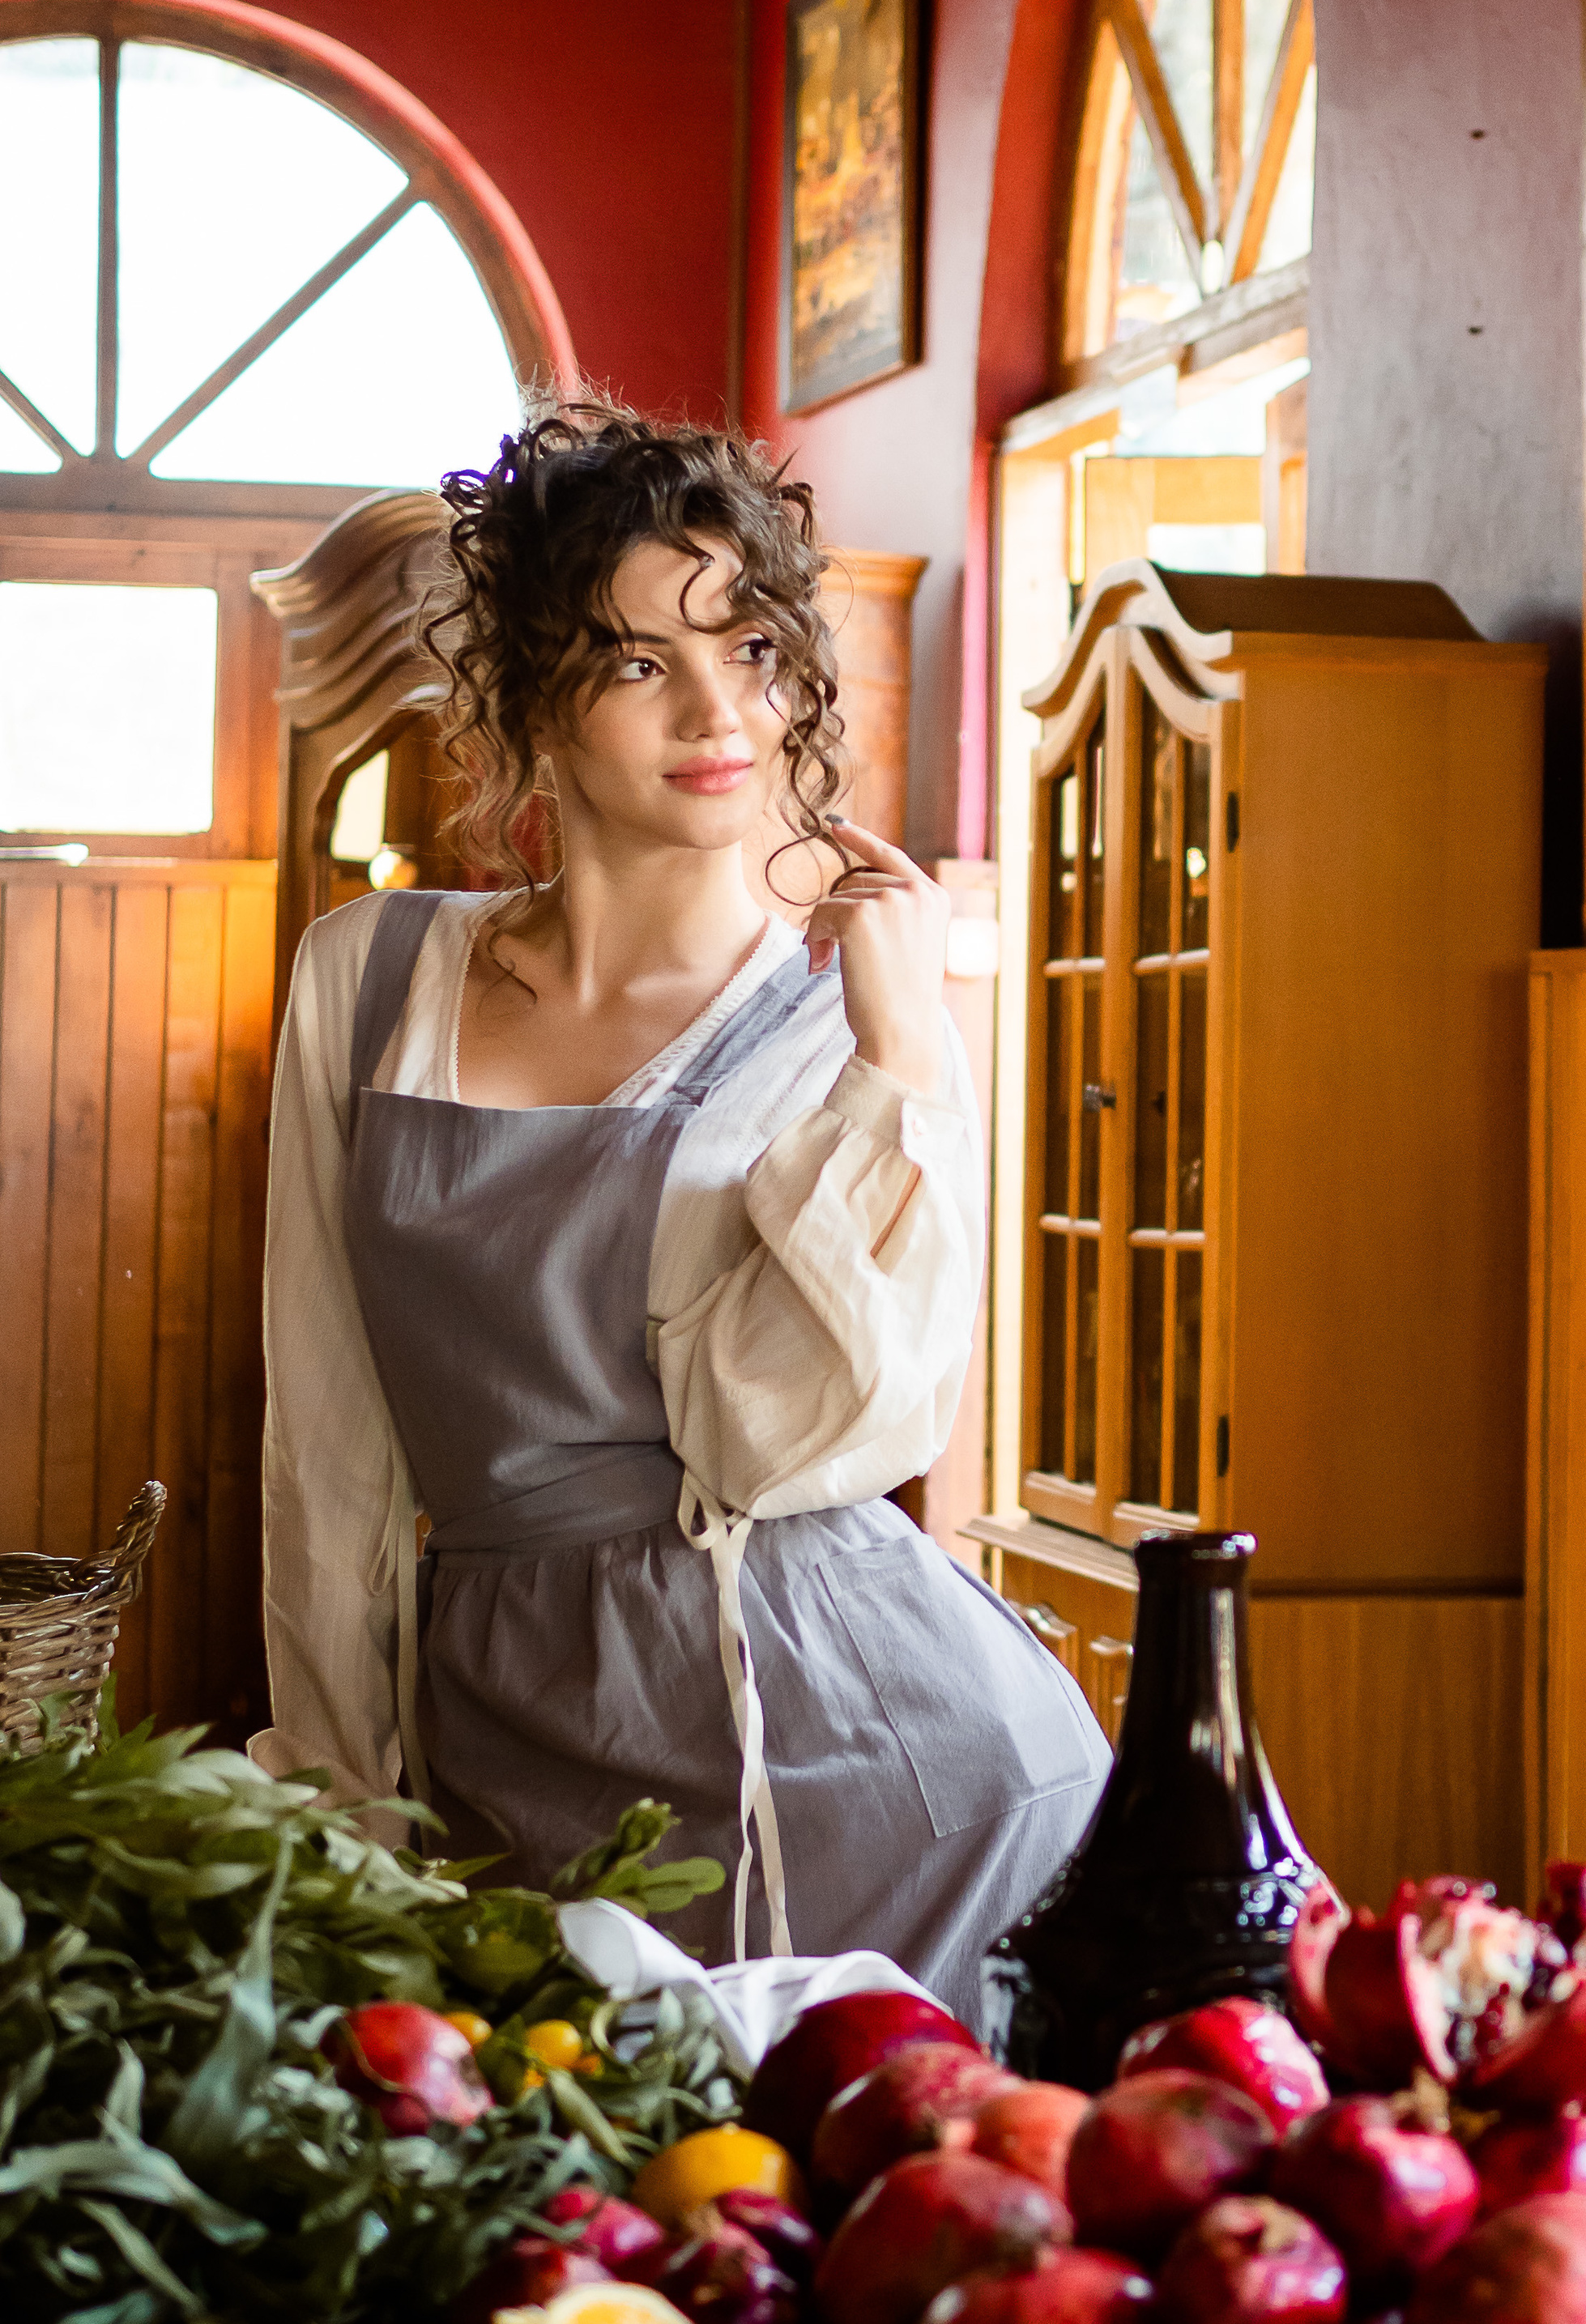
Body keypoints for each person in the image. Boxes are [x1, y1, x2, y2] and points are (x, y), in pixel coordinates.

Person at [253, 398, 1108, 2024]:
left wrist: (899, 1049)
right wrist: (344, 1814)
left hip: (890, 1783)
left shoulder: (842, 1017)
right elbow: (328, 1449)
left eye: (749, 645)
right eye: (638, 659)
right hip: (522, 1763)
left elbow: (807, 1443)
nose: (717, 708)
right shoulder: (366, 984)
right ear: (530, 700)